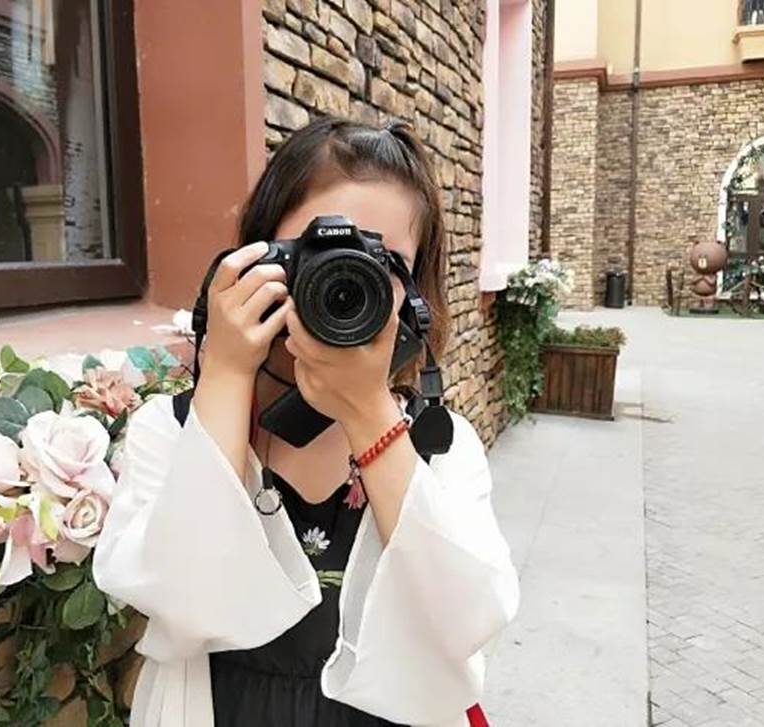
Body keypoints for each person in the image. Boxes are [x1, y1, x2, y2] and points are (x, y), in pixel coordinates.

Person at [93, 117, 519, 727]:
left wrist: (369, 414)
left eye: (383, 261)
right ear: (254, 261)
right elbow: (183, 607)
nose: (346, 278)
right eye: (317, 253)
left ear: (415, 293)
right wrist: (226, 372)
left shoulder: (441, 446)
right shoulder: (172, 428)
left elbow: (468, 623)